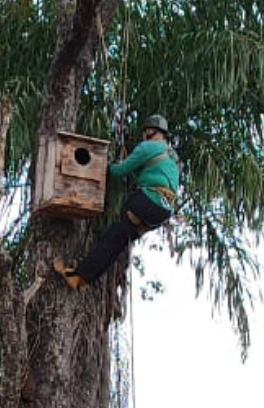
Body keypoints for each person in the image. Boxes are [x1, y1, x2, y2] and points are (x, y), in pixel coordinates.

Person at [54, 114, 180, 291]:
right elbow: (153, 176)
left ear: (150, 131)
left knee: (114, 234)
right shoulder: (172, 157)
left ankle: (79, 274)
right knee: (117, 239)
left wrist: (102, 166)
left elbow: (119, 172)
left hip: (147, 201)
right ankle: (81, 278)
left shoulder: (147, 146)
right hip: (163, 212)